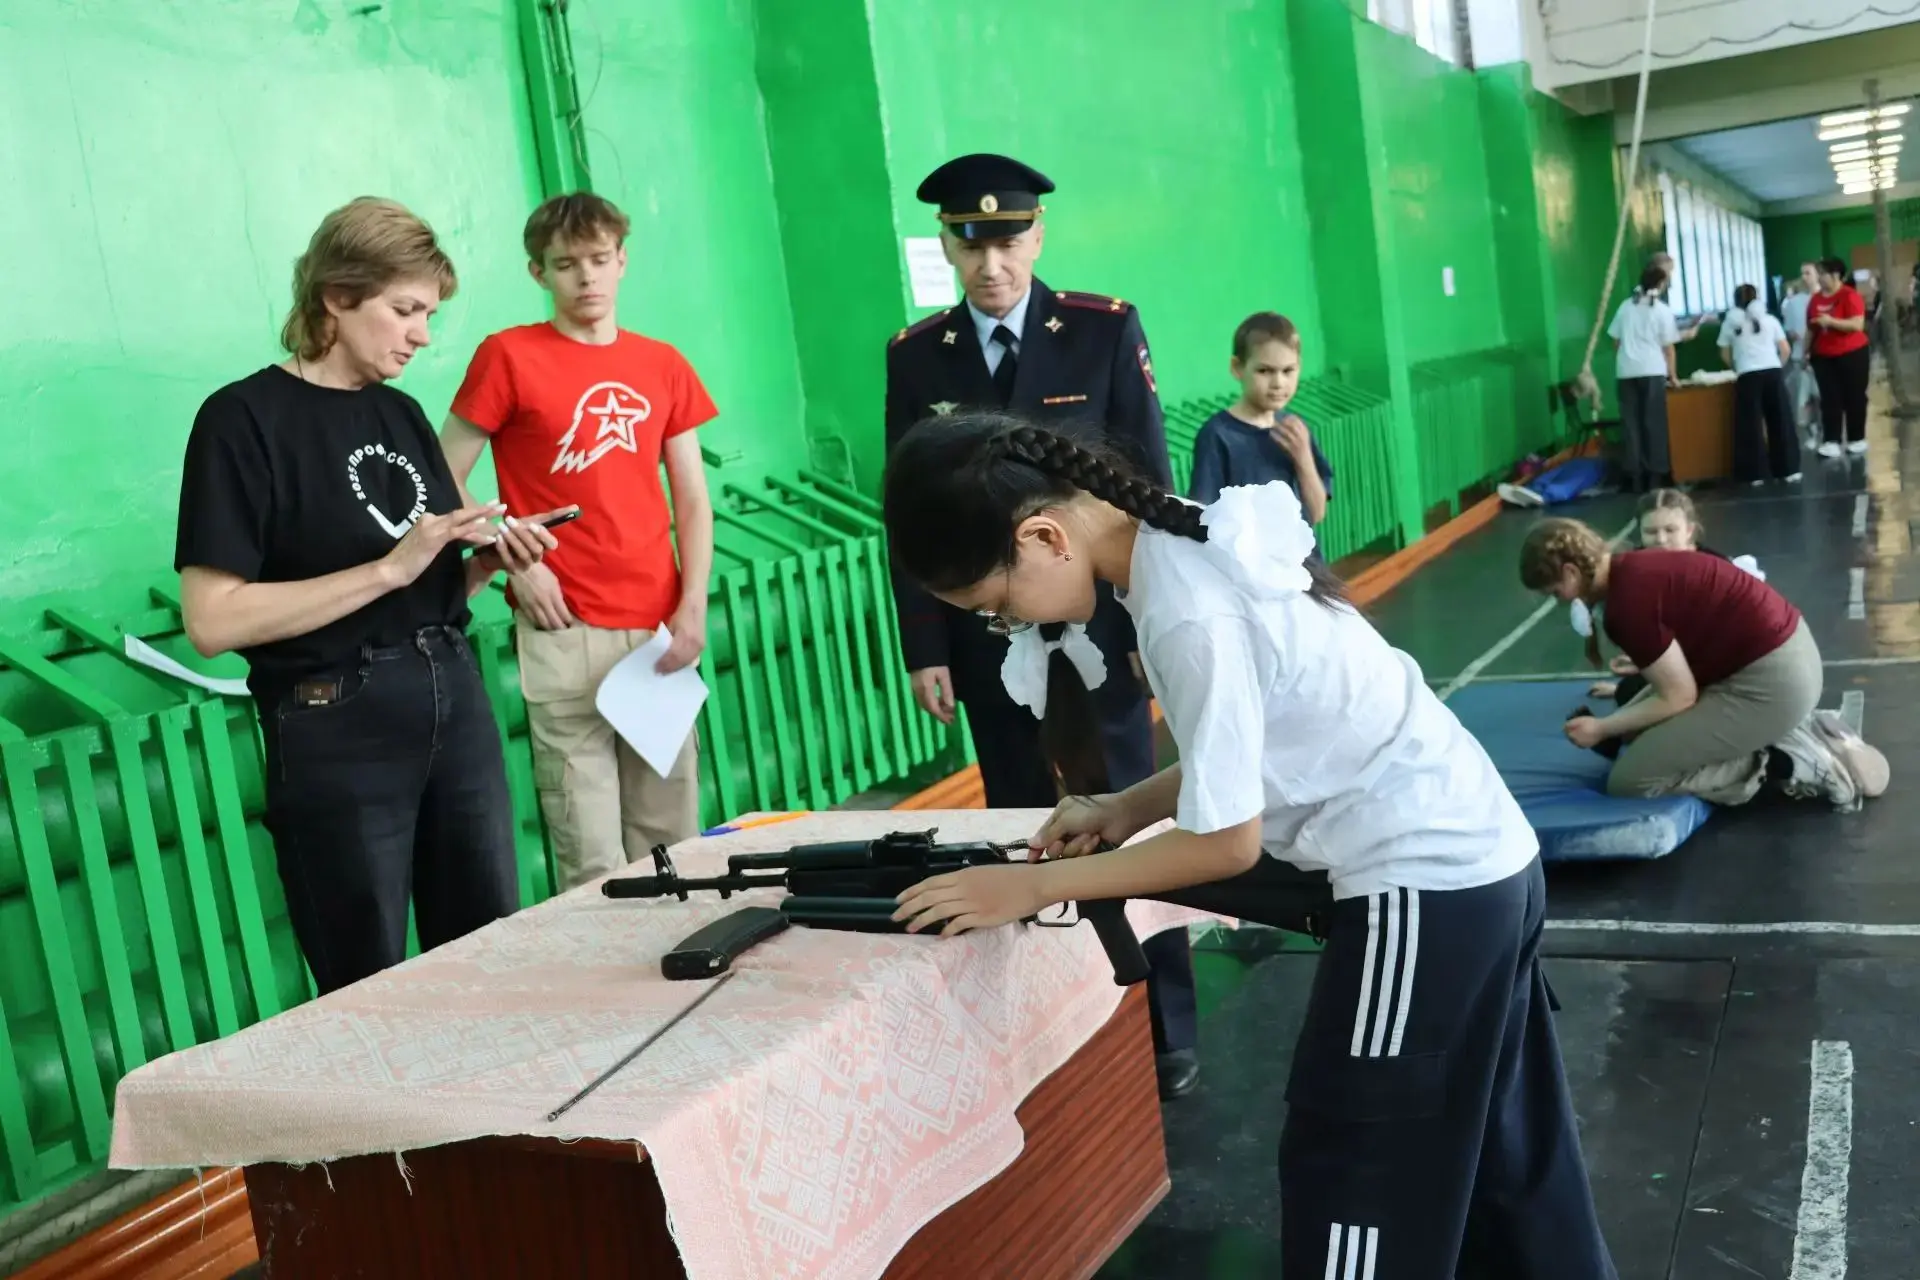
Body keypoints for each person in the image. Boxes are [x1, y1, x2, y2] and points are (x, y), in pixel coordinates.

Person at [881, 413, 1617, 1279]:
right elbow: (1257, 742)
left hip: (1424, 888)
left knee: (1356, 1173)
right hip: (1486, 861)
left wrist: (1034, 888)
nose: (1008, 624)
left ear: (1043, 537)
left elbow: (1225, 844)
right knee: (1510, 1159)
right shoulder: (1182, 537)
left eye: (997, 608)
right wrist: (1128, 805)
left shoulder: (1182, 608)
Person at [174, 197, 565, 995]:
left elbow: (423, 581)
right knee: (368, 981)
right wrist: (389, 568)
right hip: (335, 718)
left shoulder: (402, 412)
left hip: (451, 688)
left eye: (428, 314)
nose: (422, 334)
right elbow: (212, 621)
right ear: (337, 297)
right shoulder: (241, 420)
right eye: (405, 310)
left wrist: (485, 563)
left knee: (490, 958)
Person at [883, 152, 1200, 1099]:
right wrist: (925, 644)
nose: (992, 265)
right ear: (947, 245)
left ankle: (1166, 1022)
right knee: (1022, 817)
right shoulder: (917, 355)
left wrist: (1147, 623)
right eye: (971, 244)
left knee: (1128, 809)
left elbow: (1147, 480)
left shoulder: (1101, 329)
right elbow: (909, 517)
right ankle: (1050, 1033)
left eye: (1009, 242)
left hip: (1100, 624)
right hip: (985, 638)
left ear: (1038, 237)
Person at [439, 192, 718, 893]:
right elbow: (441, 478)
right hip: (562, 625)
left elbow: (691, 499)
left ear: (622, 260)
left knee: (674, 840)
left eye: (598, 259)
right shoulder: (508, 356)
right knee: (589, 857)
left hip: (657, 631)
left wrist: (692, 607)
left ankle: (681, 955)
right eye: (566, 264)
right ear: (538, 273)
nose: (586, 277)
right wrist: (514, 560)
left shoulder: (662, 364)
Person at [1520, 518, 1888, 810]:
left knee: (1630, 781)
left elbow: (1678, 697)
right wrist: (1617, 728)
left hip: (1773, 685)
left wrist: (1602, 728)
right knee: (1634, 733)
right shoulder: (1633, 565)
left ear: (1571, 573)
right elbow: (1678, 672)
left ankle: (1782, 759)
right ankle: (1782, 730)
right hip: (1786, 660)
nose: (1557, 601)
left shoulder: (1625, 606)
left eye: (1554, 592)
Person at [1578, 490, 1762, 708]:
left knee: (1642, 696)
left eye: (1670, 530)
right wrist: (1645, 658)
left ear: (1689, 530)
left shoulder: (1715, 568)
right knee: (1629, 692)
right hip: (1683, 657)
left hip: (1723, 658)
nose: (1661, 540)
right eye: (1650, 532)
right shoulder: (1633, 568)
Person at [1185, 312, 1333, 543]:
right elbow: (1205, 520)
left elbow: (1317, 513)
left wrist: (1303, 458)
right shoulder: (1217, 435)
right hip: (1246, 563)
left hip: (1301, 560)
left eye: (1288, 371)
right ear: (1237, 367)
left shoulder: (1295, 430)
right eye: (1264, 371)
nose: (1278, 383)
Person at [1607, 265, 1681, 493]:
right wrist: (1673, 375)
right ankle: (1655, 475)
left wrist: (1628, 358)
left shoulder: (1625, 307)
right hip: (1653, 371)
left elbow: (1615, 342)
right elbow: (1668, 348)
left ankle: (1634, 476)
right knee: (1653, 424)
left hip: (1626, 372)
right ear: (1661, 285)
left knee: (1631, 425)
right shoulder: (1661, 311)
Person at [1717, 284, 1800, 484]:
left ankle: (1755, 474)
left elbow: (1724, 353)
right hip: (1772, 372)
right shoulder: (1770, 320)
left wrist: (1737, 367)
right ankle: (1788, 470)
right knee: (1780, 420)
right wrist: (1777, 366)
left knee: (1750, 425)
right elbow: (1785, 349)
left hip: (1747, 375)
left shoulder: (1730, 324)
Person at [1809, 256, 1870, 458]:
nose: (1819, 278)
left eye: (1822, 274)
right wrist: (1804, 352)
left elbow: (1857, 324)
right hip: (1824, 356)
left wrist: (1831, 322)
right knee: (1829, 398)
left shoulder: (1850, 296)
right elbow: (1810, 328)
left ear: (1835, 275)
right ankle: (1831, 441)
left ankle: (1856, 438)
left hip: (1853, 354)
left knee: (1854, 396)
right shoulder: (1815, 299)